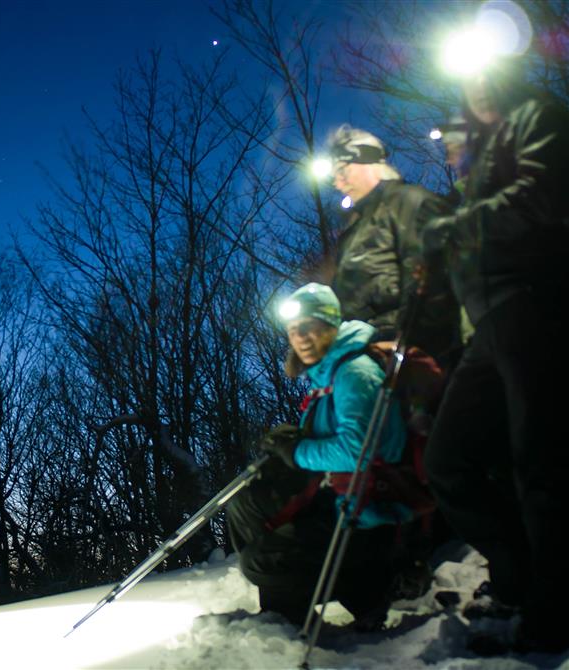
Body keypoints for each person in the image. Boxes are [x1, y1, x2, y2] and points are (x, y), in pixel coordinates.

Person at [422, 55, 569, 654]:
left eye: (485, 76)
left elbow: (540, 200)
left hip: (537, 303)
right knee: (449, 460)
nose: (476, 87)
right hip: (489, 324)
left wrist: (458, 228)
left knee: (540, 462)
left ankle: (554, 607)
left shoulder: (540, 116)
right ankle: (520, 578)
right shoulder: (480, 156)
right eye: (467, 80)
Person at [226, 283, 410, 629]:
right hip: (343, 497)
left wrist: (296, 451)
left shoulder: (354, 372)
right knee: (247, 501)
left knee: (260, 560)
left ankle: (368, 590)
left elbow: (359, 451)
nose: (301, 337)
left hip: (372, 513)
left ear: (332, 326)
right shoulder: (327, 377)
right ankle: (289, 605)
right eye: (294, 330)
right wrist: (293, 440)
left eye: (310, 326)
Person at [322, 126, 460, 364]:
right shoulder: (352, 233)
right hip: (363, 352)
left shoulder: (408, 202)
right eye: (334, 175)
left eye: (343, 170)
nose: (338, 182)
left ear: (368, 163)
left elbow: (431, 278)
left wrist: (413, 345)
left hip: (408, 351)